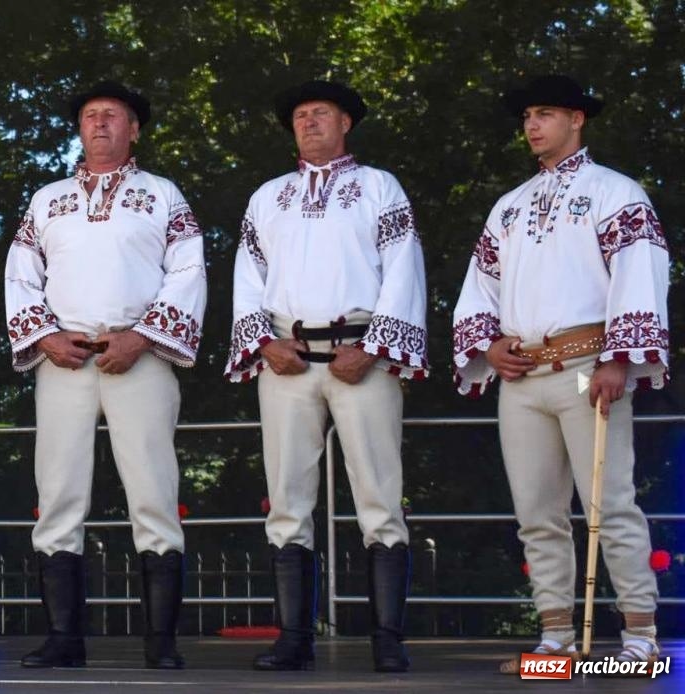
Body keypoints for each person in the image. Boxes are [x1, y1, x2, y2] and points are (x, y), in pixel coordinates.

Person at [451, 74, 670, 672]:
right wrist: (487, 344)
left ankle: (640, 636)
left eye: (544, 113)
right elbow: (480, 288)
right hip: (522, 376)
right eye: (526, 115)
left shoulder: (615, 193)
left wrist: (618, 358)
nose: (531, 124)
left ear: (577, 119)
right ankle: (555, 636)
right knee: (536, 513)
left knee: (610, 504)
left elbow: (640, 273)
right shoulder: (510, 206)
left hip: (586, 367)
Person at [225, 80, 428, 673]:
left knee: (379, 496)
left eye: (321, 114)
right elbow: (246, 276)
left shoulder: (378, 187)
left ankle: (387, 640)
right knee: (286, 499)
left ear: (346, 123)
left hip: (360, 353)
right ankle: (294, 639)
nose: (309, 122)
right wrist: (263, 342)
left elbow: (403, 268)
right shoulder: (268, 197)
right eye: (300, 116)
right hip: (287, 357)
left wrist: (376, 345)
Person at [3, 80, 207, 669]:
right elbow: (21, 274)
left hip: (139, 356)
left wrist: (142, 335)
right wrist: (43, 335)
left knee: (153, 492)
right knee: (59, 493)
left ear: (134, 128)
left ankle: (160, 642)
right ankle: (65, 639)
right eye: (90, 116)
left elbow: (189, 270)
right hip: (65, 358)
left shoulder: (163, 195)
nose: (99, 124)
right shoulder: (47, 199)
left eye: (112, 116)